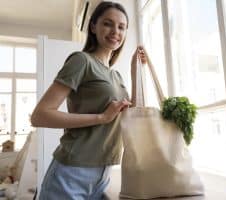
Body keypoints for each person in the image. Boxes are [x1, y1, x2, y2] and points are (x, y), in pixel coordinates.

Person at [31, 1, 147, 199]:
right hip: (72, 172)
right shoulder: (81, 61)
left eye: (121, 27)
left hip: (104, 173)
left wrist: (136, 71)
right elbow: (40, 116)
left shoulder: (116, 76)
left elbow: (133, 116)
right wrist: (101, 117)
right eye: (108, 24)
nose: (115, 31)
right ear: (93, 26)